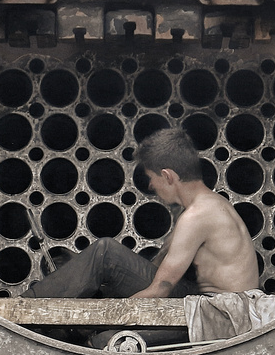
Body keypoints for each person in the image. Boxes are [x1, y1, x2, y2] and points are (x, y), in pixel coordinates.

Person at [24, 127, 260, 300]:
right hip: (204, 299)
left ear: (167, 176)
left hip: (218, 311)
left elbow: (160, 289)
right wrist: (86, 278)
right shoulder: (208, 206)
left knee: (105, 253)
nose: (150, 187)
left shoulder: (198, 216)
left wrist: (108, 314)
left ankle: (21, 309)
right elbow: (151, 270)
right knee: (106, 265)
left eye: (151, 178)